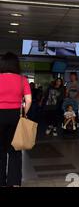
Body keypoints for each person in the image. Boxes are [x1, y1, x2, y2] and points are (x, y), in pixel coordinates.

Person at [0, 52, 32, 187]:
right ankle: (14, 182)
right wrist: (24, 113)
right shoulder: (22, 79)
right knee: (15, 150)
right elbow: (29, 100)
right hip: (16, 116)